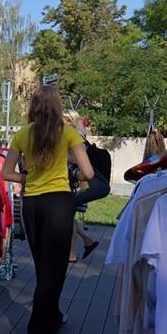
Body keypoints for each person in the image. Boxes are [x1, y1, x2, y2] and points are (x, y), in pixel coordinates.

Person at [1, 85, 93, 334]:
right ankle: (40, 332)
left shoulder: (22, 134)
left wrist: (28, 179)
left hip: (31, 204)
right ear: (56, 106)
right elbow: (88, 173)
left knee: (44, 266)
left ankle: (53, 315)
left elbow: (6, 173)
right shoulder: (68, 133)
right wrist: (72, 175)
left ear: (33, 106)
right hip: (58, 204)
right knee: (55, 269)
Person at [62, 109, 110, 262]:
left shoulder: (76, 137)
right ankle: (86, 242)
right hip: (76, 180)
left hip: (78, 180)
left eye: (61, 119)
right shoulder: (75, 135)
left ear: (70, 121)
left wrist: (62, 157)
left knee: (68, 212)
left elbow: (79, 160)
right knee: (68, 213)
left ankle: (73, 252)